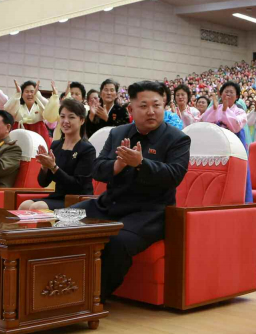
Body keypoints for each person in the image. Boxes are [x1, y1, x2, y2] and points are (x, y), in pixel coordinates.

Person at [71, 81, 191, 301]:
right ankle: (55, 286)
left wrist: (141, 164)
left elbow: (174, 175)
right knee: (62, 220)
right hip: (110, 205)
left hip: (149, 214)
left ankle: (90, 299)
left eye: (157, 105)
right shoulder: (117, 133)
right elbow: (96, 169)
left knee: (116, 241)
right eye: (143, 106)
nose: (151, 111)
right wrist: (117, 165)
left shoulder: (177, 139)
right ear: (131, 109)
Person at [20, 99, 97, 211]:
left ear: (81, 120)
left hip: (78, 199)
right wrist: (45, 167)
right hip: (58, 196)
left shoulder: (87, 149)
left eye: (71, 117)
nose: (65, 121)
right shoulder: (56, 145)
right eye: (62, 117)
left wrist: (54, 167)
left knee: (37, 207)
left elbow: (77, 186)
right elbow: (43, 183)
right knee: (25, 205)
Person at [201, 81, 252, 202]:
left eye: (231, 92)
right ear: (220, 94)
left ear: (237, 96)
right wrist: (215, 109)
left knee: (236, 174)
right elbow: (204, 121)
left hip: (235, 146)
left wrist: (225, 110)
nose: (228, 94)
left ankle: (237, 202)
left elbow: (236, 126)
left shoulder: (240, 112)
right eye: (226, 92)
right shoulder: (215, 108)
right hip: (216, 146)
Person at [7, 80, 60, 145]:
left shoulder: (40, 107)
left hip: (38, 138)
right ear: (22, 94)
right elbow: (8, 111)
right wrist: (17, 94)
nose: (29, 94)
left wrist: (54, 96)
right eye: (26, 91)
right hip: (19, 138)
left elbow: (49, 110)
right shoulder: (17, 107)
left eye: (32, 92)